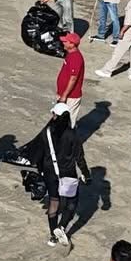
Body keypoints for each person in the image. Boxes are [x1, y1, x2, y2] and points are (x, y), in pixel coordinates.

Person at [26, 103, 89, 247]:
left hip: (50, 173)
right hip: (68, 173)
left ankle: (53, 236)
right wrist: (86, 174)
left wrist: (41, 170)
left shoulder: (47, 132)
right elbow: (79, 157)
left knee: (54, 202)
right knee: (71, 201)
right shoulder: (73, 134)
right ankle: (62, 227)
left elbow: (39, 154)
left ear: (56, 116)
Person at [56, 32, 86, 118]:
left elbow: (73, 78)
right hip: (64, 94)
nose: (63, 43)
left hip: (70, 97)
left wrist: (64, 96)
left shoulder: (76, 58)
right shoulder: (70, 54)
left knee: (68, 120)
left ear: (72, 44)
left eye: (66, 41)